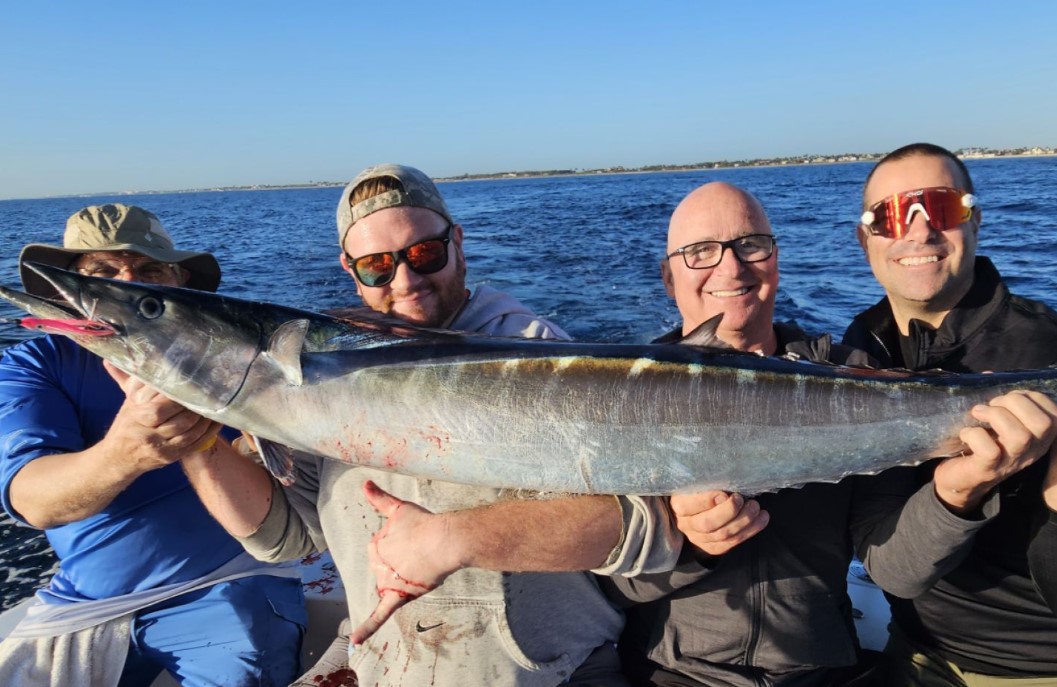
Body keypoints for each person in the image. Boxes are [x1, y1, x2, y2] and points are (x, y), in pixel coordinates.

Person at [181, 164, 678, 687]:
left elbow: (644, 525)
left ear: (457, 243)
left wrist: (454, 538)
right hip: (385, 661)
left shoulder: (538, 351)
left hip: (555, 671)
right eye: (377, 266)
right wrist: (193, 439)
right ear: (350, 270)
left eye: (424, 254)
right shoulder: (318, 368)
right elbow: (286, 538)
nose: (406, 281)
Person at [600, 181, 1057, 687]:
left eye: (750, 244)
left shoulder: (855, 373)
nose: (730, 268)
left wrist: (960, 491)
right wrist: (691, 548)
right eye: (699, 252)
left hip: (822, 674)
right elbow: (618, 591)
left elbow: (894, 570)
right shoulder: (615, 395)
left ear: (776, 261)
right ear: (668, 277)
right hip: (669, 673)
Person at [0, 204, 307, 686]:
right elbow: (32, 499)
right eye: (103, 273)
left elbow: (282, 454)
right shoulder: (33, 364)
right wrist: (125, 451)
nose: (128, 284)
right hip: (84, 601)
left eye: (147, 271)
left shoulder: (230, 345)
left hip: (228, 579)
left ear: (178, 280)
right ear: (73, 287)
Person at [843, 142, 1057, 685]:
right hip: (912, 650)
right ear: (865, 239)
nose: (918, 231)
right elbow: (888, 561)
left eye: (941, 208)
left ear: (973, 221)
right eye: (891, 215)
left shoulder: (1046, 351)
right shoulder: (861, 350)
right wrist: (960, 493)